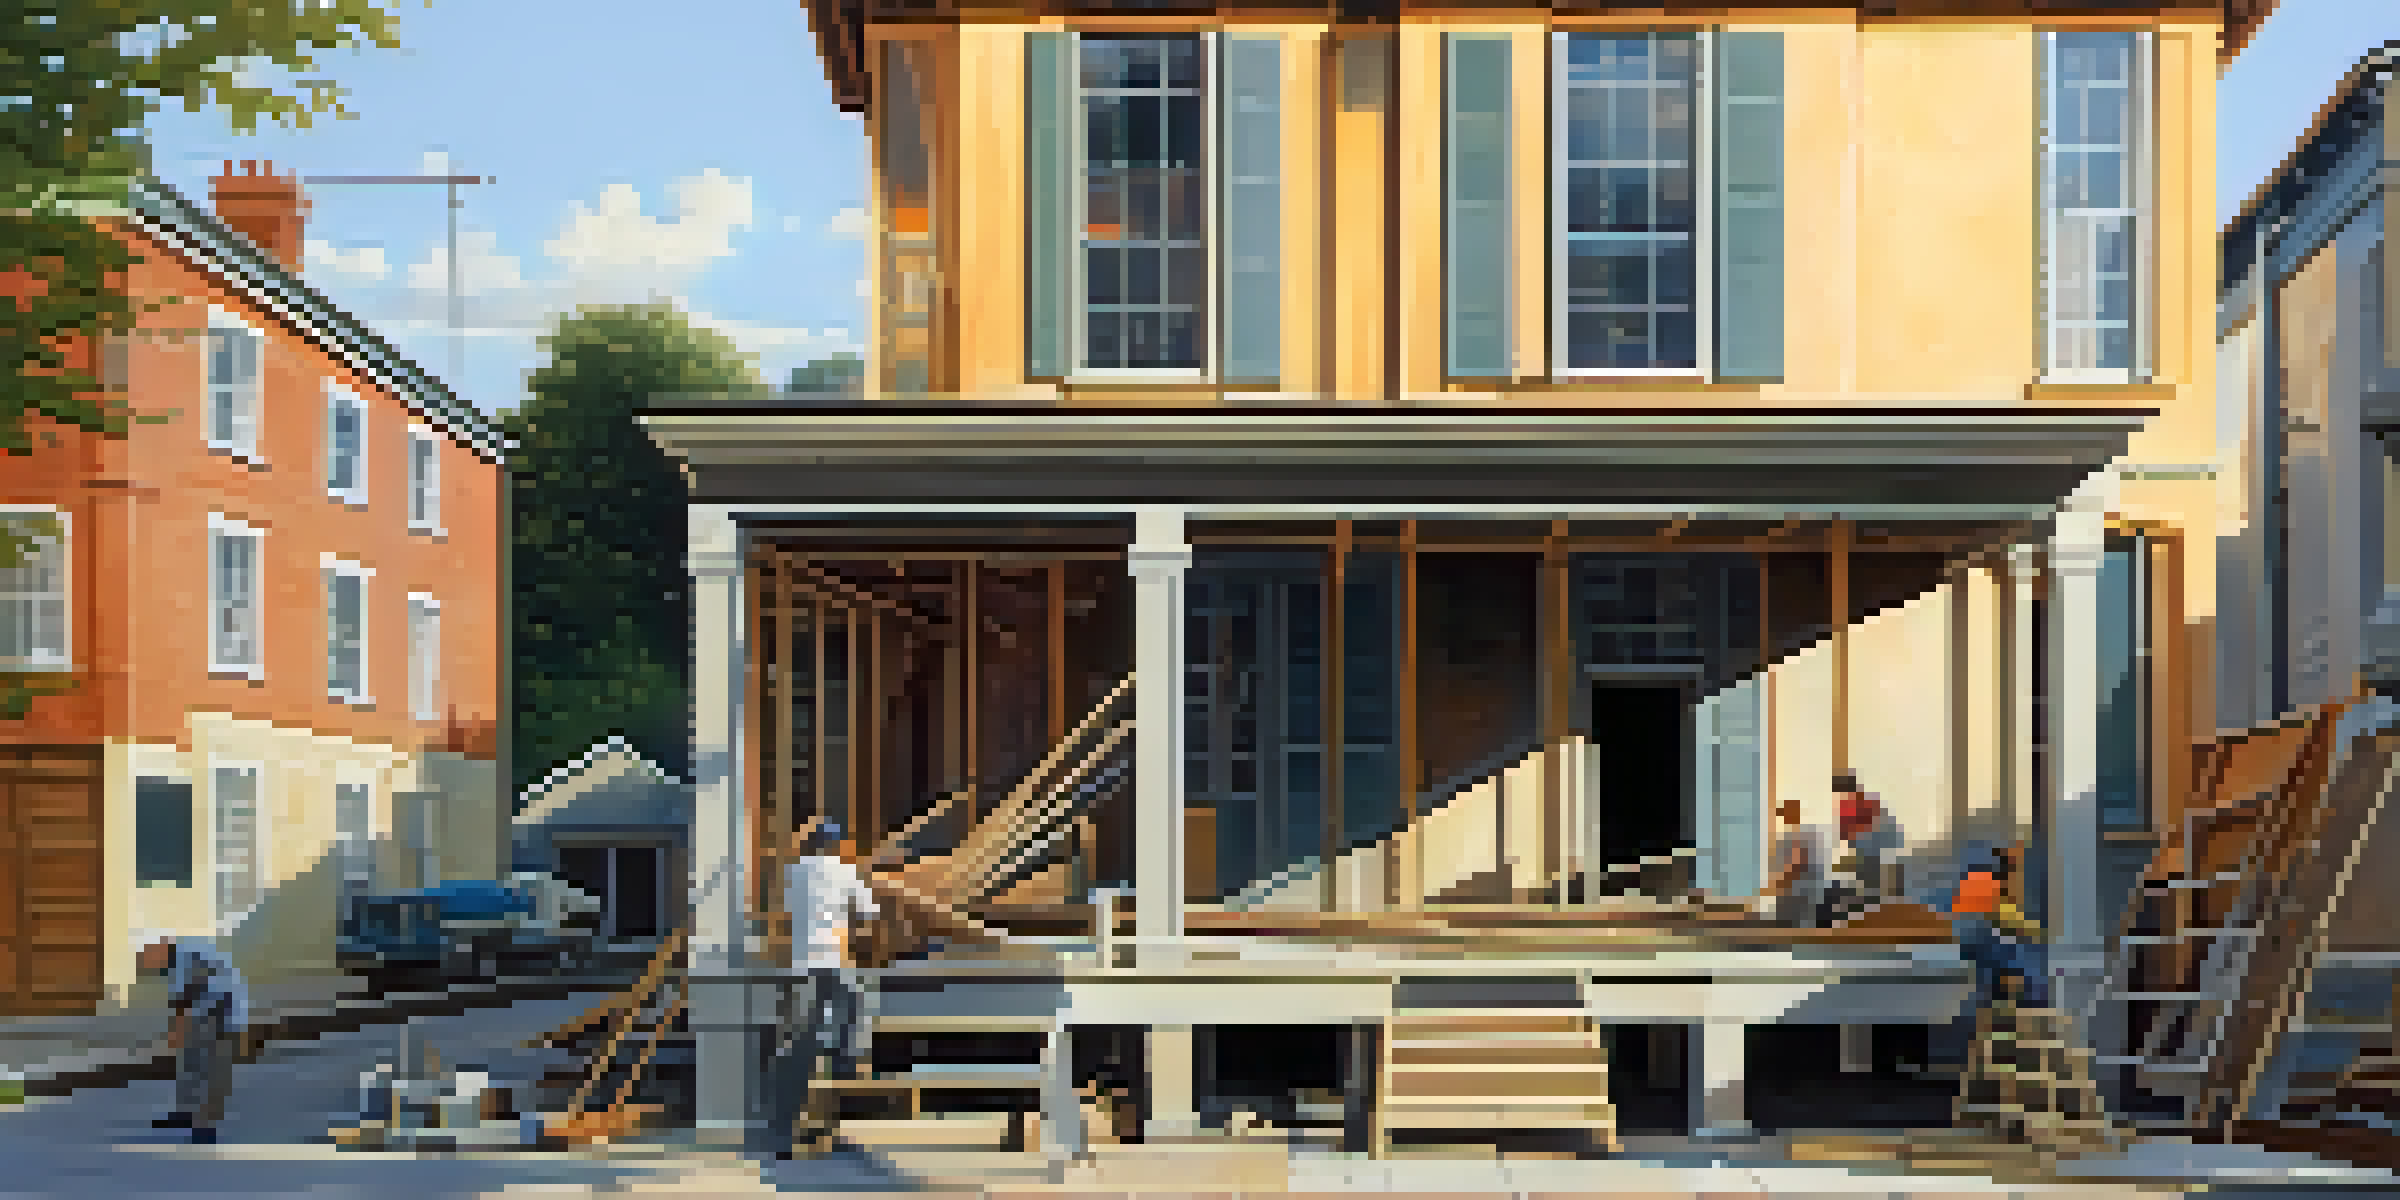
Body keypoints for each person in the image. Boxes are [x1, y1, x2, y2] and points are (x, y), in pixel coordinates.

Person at [765, 821, 882, 1155]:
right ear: (837, 845)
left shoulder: (793, 873)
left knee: (796, 1050)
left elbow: (785, 914)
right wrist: (848, 929)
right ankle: (850, 1059)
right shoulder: (846, 872)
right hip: (836, 962)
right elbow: (870, 914)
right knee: (858, 1004)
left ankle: (782, 1137)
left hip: (801, 967)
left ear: (809, 845)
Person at [135, 932, 249, 1144]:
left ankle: (205, 1126)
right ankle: (185, 1114)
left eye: (145, 957)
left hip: (224, 1013)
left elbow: (184, 1000)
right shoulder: (178, 957)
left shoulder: (186, 956)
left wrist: (175, 1034)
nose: (144, 964)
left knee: (214, 1071)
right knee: (189, 1062)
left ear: (160, 946)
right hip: (206, 1011)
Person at [1947, 846, 2050, 1009]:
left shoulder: (1979, 883)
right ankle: (2030, 1003)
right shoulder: (1989, 887)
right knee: (2025, 958)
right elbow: (2009, 921)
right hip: (1981, 943)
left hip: (1973, 944)